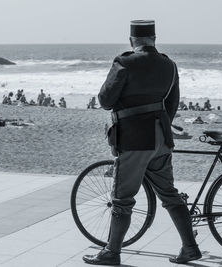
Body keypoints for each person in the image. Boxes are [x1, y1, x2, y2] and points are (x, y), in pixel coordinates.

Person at [83, 20, 201, 265]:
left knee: (122, 198)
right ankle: (190, 248)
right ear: (155, 39)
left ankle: (112, 253)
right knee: (169, 194)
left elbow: (105, 100)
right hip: (161, 137)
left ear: (131, 41)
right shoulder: (169, 65)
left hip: (135, 138)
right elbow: (172, 104)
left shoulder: (124, 62)